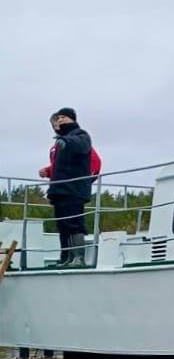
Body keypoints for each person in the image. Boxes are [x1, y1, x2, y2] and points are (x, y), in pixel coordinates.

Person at [37, 108, 96, 268]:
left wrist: (67, 141)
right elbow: (59, 166)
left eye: (64, 117)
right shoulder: (60, 141)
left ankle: (79, 258)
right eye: (59, 118)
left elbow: (82, 146)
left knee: (74, 223)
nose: (60, 120)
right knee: (63, 225)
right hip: (60, 189)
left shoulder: (80, 135)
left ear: (72, 119)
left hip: (73, 189)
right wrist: (49, 173)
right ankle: (68, 257)